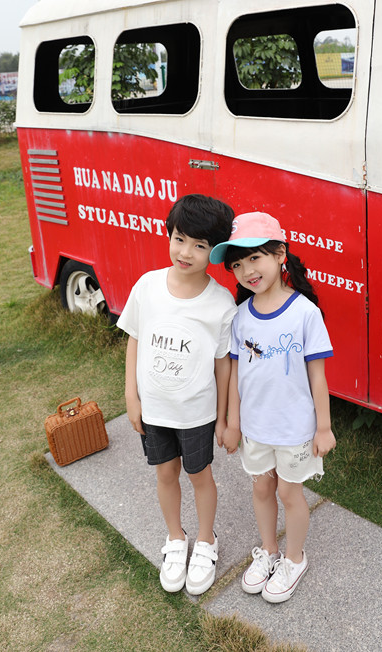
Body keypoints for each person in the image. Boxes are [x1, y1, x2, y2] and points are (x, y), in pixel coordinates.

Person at [210, 211, 336, 603]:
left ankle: (294, 559)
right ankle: (269, 551)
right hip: (256, 429)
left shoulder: (305, 313)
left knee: (288, 493)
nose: (247, 269)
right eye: (237, 263)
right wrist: (231, 423)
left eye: (255, 257)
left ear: (280, 253)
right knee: (262, 487)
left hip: (296, 429)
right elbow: (234, 375)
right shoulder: (240, 318)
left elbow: (318, 377)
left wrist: (324, 428)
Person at [117, 194, 236, 596]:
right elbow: (135, 338)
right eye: (180, 238)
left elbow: (223, 364)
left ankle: (205, 541)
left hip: (197, 412)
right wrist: (131, 397)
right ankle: (175, 537)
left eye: (200, 246)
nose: (186, 252)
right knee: (165, 474)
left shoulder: (220, 302)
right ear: (169, 234)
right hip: (154, 409)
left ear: (214, 252)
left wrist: (222, 418)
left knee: (199, 475)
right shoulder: (147, 286)